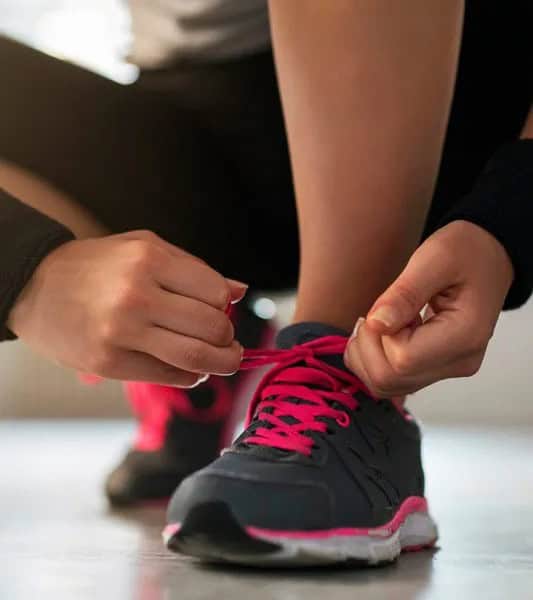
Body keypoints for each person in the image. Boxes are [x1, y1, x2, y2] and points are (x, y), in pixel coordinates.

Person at [0, 0, 531, 566]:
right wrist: (31, 274)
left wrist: (514, 208)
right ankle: (197, 348)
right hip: (201, 132)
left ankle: (343, 378)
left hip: (447, 117)